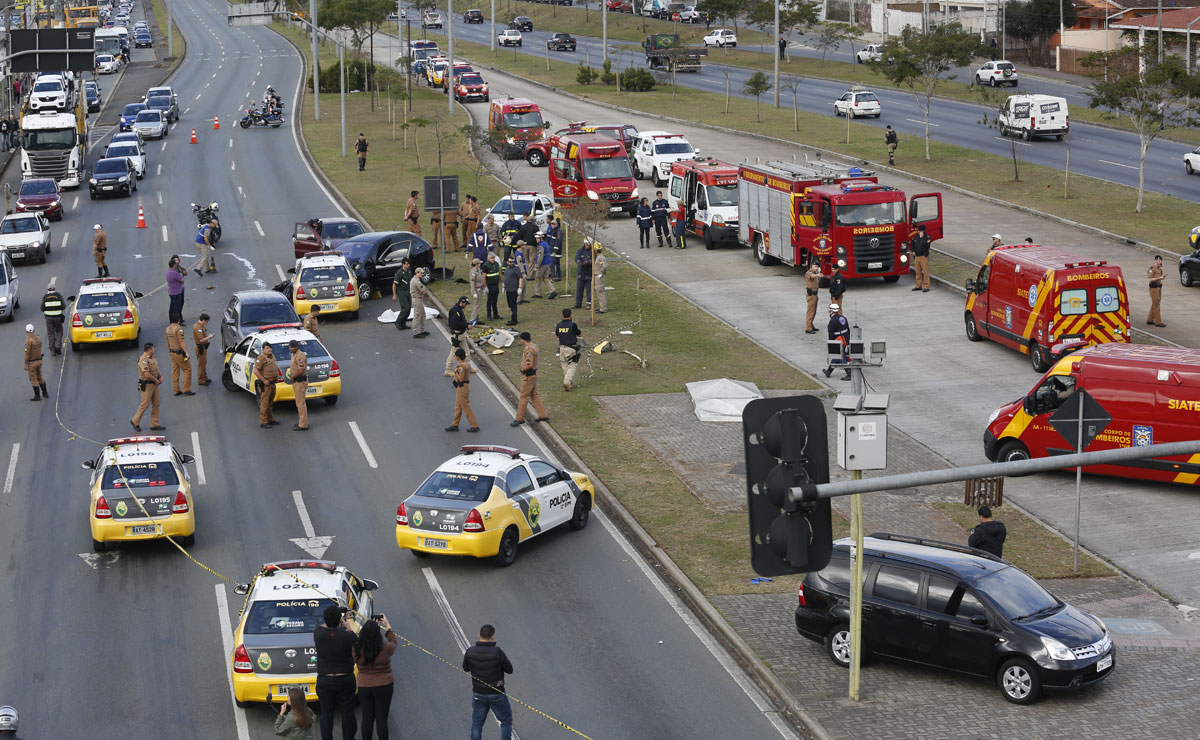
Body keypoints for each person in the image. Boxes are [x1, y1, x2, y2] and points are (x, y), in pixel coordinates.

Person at [313, 604, 359, 740]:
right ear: (340, 620)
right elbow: (353, 636)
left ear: (326, 620)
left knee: (326, 714)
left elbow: (324, 626)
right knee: (348, 712)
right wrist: (345, 621)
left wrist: (336, 618)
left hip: (325, 680)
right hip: (345, 678)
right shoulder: (348, 636)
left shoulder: (318, 634)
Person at [464, 624, 514, 740]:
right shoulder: (497, 652)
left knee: (477, 723)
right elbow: (509, 670)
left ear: (479, 635)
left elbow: (466, 668)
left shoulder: (470, 651)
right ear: (492, 637)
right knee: (506, 720)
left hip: (478, 694)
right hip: (496, 693)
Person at [355, 616, 398, 740]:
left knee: (367, 719)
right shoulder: (385, 648)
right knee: (382, 719)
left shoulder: (357, 649)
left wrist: (369, 627)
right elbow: (393, 642)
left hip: (364, 687)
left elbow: (356, 639)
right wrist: (388, 627)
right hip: (384, 685)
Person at [511, 332, 548, 426]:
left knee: (523, 396)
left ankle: (519, 418)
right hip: (534, 374)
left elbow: (529, 364)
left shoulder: (528, 350)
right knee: (534, 394)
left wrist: (523, 370)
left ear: (523, 340)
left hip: (528, 376)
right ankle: (542, 414)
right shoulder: (534, 346)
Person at [131, 342, 165, 431]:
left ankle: (154, 424)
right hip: (147, 384)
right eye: (153, 348)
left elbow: (155, 369)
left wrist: (160, 376)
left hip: (154, 384)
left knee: (156, 403)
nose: (154, 349)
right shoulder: (143, 359)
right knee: (145, 404)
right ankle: (135, 421)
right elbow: (146, 374)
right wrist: (156, 380)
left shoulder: (153, 357)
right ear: (149, 349)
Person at [446, 347, 480, 432]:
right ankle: (455, 424)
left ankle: (474, 425)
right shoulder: (467, 364)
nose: (455, 357)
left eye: (456, 356)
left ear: (458, 357)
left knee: (466, 407)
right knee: (458, 407)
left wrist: (456, 373)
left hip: (462, 388)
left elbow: (460, 378)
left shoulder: (461, 367)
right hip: (463, 387)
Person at [165, 314, 194, 396]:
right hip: (179, 353)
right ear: (178, 320)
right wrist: (186, 352)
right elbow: (181, 342)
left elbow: (167, 342)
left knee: (175, 371)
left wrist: (170, 351)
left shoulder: (167, 329)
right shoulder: (178, 329)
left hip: (172, 353)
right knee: (187, 370)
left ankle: (176, 390)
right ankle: (186, 389)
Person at [253, 342, 280, 428]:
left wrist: (277, 376)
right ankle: (263, 421)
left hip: (272, 383)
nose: (270, 349)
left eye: (270, 348)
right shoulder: (261, 358)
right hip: (265, 385)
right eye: (267, 348)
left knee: (270, 403)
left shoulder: (272, 357)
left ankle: (270, 419)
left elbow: (274, 367)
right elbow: (256, 371)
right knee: (264, 403)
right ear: (263, 349)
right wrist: (264, 380)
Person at [556, 307, 582, 392]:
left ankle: (569, 383)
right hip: (571, 348)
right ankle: (567, 382)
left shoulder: (559, 325)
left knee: (564, 365)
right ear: (570, 315)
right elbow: (579, 334)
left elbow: (557, 334)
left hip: (561, 348)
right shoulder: (572, 325)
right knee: (572, 366)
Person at [823, 303, 851, 381]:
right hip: (845, 340)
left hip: (838, 342)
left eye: (829, 311)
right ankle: (828, 372)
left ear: (831, 311)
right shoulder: (843, 318)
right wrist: (848, 341)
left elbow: (831, 336)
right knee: (837, 356)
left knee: (842, 357)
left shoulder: (832, 322)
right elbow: (848, 330)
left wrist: (831, 346)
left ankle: (849, 374)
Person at [288, 339, 309, 431]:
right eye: (289, 347)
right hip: (297, 382)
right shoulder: (294, 355)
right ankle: (302, 420)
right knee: (298, 403)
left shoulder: (300, 356)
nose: (290, 349)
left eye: (292, 347)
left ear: (296, 347)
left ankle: (303, 424)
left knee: (300, 403)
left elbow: (301, 370)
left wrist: (293, 377)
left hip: (300, 382)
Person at [446, 296, 470, 374]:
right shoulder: (456, 311)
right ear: (462, 303)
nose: (466, 305)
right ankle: (448, 369)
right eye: (465, 304)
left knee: (467, 352)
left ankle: (467, 367)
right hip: (457, 335)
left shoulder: (459, 310)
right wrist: (466, 325)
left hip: (461, 334)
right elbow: (456, 323)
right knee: (453, 353)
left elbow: (461, 321)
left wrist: (467, 324)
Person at [40, 281, 65, 355]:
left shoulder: (45, 297)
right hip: (58, 318)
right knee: (59, 331)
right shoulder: (59, 296)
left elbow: (42, 308)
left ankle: (52, 350)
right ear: (55, 288)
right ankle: (58, 345)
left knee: (51, 333)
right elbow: (63, 306)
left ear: (48, 289)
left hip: (48, 318)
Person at [24, 324, 46, 402]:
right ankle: (45, 393)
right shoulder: (39, 339)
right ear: (33, 330)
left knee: (33, 379)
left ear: (26, 331)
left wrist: (25, 364)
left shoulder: (29, 342)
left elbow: (27, 354)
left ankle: (37, 396)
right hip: (39, 361)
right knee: (40, 377)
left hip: (32, 363)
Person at [391, 258, 413, 331]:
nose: (408, 265)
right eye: (407, 264)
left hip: (408, 292)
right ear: (403, 264)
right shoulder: (399, 273)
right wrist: (394, 295)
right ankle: (398, 322)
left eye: (409, 264)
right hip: (402, 292)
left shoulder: (409, 272)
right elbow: (394, 284)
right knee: (405, 308)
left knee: (409, 308)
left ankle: (403, 324)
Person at [909, 223, 931, 293]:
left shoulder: (927, 237)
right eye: (919, 231)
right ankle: (918, 286)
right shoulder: (916, 236)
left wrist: (922, 238)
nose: (920, 232)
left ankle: (926, 286)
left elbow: (926, 246)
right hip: (917, 257)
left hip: (923, 256)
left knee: (925, 272)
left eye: (921, 231)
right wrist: (913, 251)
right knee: (918, 272)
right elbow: (912, 243)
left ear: (924, 231)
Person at [193, 313, 214, 386]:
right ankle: (201, 380)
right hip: (200, 347)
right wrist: (209, 337)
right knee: (201, 364)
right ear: (204, 320)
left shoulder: (201, 326)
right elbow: (201, 340)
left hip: (203, 347)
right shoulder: (197, 327)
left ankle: (205, 377)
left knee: (204, 363)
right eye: (207, 321)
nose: (207, 323)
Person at [503, 255, 524, 326]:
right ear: (507, 262)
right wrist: (504, 287)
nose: (512, 263)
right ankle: (513, 318)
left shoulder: (516, 268)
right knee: (510, 304)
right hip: (508, 290)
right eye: (510, 262)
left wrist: (520, 287)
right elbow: (506, 278)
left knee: (513, 305)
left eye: (513, 262)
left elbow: (520, 278)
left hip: (513, 290)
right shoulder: (507, 269)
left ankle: (514, 320)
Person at [533, 232, 555, 298]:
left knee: (538, 278)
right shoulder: (545, 243)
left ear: (541, 238)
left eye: (537, 238)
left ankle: (538, 293)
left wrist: (537, 265)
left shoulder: (541, 246)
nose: (536, 239)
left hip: (543, 264)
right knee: (545, 278)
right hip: (548, 262)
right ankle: (553, 291)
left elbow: (540, 256)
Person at [410, 267, 430, 338]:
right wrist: (424, 289)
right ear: (417, 273)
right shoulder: (416, 281)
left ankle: (422, 330)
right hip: (417, 300)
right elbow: (423, 290)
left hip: (419, 299)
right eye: (421, 273)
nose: (422, 275)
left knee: (423, 315)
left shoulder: (417, 280)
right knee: (417, 316)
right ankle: (416, 332)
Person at [1147, 254, 1166, 327]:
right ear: (1155, 260)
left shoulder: (1159, 268)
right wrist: (1159, 278)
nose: (1160, 261)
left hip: (1159, 288)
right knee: (1156, 305)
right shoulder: (1152, 269)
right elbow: (1150, 279)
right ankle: (1158, 322)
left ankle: (1150, 319)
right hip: (1154, 288)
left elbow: (1161, 276)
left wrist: (1162, 269)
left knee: (1154, 304)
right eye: (1159, 260)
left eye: (1161, 260)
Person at [574, 239, 593, 309]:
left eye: (589, 245)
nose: (587, 246)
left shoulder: (592, 252)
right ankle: (578, 303)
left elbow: (594, 260)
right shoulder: (580, 250)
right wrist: (579, 262)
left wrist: (588, 262)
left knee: (589, 290)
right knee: (579, 289)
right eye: (586, 245)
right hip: (581, 273)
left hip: (588, 274)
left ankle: (589, 304)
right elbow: (576, 257)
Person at [167, 256, 186, 321]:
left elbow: (185, 274)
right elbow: (182, 280)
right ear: (173, 265)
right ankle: (176, 321)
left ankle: (173, 319)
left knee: (173, 307)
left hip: (172, 292)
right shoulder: (174, 272)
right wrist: (181, 276)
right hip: (177, 292)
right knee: (176, 308)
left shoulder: (169, 271)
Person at [484, 252, 502, 321]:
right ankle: (489, 315)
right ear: (488, 258)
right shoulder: (486, 266)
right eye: (491, 258)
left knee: (495, 301)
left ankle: (496, 314)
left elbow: (499, 273)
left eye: (493, 258)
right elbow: (484, 277)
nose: (493, 259)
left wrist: (502, 283)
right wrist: (485, 287)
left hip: (496, 285)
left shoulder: (496, 264)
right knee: (489, 301)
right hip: (490, 285)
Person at [804, 262, 820, 334]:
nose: (816, 268)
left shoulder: (815, 272)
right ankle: (808, 328)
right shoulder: (809, 273)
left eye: (817, 266)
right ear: (812, 266)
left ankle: (811, 325)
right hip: (811, 295)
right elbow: (812, 276)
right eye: (815, 266)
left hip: (815, 294)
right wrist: (818, 275)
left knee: (814, 312)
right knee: (810, 312)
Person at [468, 259, 486, 324]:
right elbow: (472, 283)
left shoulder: (478, 271)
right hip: (477, 290)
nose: (480, 264)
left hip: (480, 289)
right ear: (476, 264)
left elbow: (481, 280)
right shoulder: (473, 272)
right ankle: (472, 320)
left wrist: (483, 288)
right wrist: (474, 293)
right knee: (477, 305)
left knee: (478, 304)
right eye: (479, 263)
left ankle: (476, 319)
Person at [592, 243, 608, 313]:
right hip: (596, 275)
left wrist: (601, 273)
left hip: (599, 276)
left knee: (600, 292)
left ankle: (603, 308)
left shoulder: (600, 258)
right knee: (597, 291)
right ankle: (601, 307)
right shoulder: (598, 257)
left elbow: (604, 266)